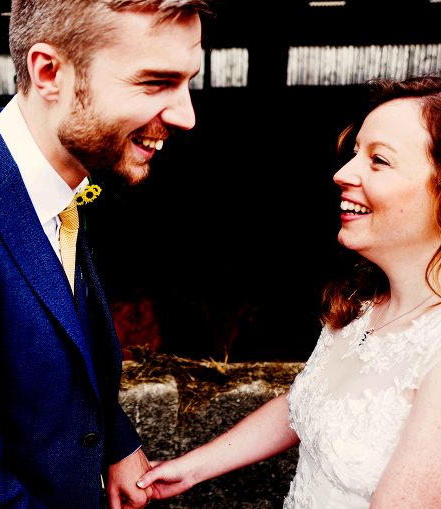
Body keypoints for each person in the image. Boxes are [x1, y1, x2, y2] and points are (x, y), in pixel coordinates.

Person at [0, 1, 213, 508]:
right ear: (49, 72)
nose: (187, 116)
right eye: (154, 82)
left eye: (188, 81)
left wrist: (117, 443)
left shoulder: (62, 181)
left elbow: (66, 344)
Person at [136, 74, 441, 508]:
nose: (342, 173)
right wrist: (189, 469)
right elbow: (308, 402)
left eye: (379, 161)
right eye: (355, 152)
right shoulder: (362, 308)